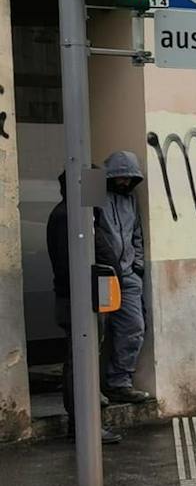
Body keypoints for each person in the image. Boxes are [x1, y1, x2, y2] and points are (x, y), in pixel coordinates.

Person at [46, 171, 121, 443]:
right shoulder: (67, 217)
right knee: (79, 361)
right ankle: (82, 424)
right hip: (78, 300)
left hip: (88, 298)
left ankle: (83, 422)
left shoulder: (84, 214)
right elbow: (72, 264)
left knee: (82, 359)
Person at [101, 151, 151, 405]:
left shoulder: (130, 200)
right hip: (103, 274)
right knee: (97, 331)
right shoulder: (95, 193)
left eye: (128, 178)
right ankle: (93, 384)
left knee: (134, 327)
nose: (123, 182)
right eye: (119, 177)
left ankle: (120, 382)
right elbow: (85, 228)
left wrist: (138, 264)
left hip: (129, 273)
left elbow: (137, 233)